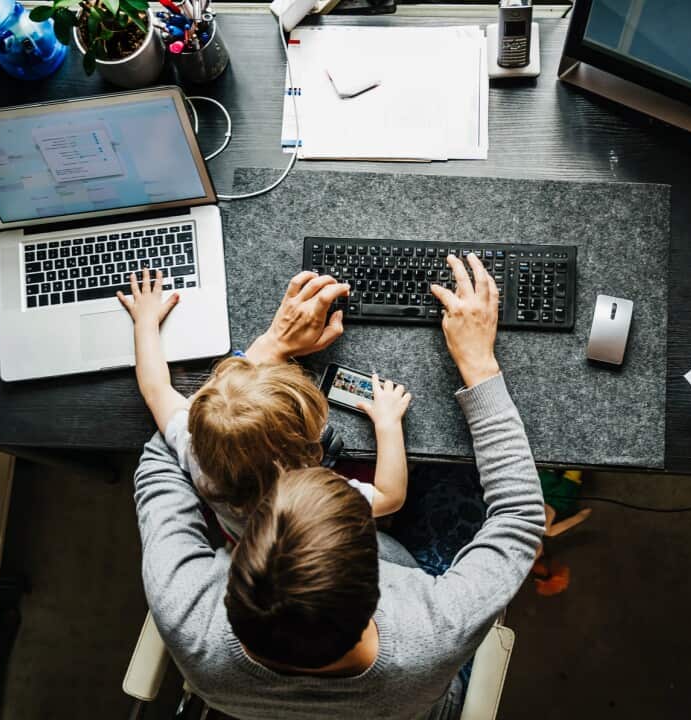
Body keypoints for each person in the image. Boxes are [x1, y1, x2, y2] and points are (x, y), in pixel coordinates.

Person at [132, 255, 546, 719]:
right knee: (456, 482)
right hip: (419, 702)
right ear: (378, 587)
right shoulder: (432, 630)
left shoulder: (184, 611)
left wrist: (264, 355)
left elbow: (161, 458)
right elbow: (519, 518)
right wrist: (479, 364)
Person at [118, 269, 412, 539]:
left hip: (243, 535)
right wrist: (388, 424)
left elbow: (156, 389)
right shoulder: (314, 498)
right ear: (307, 447)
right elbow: (390, 496)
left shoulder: (194, 448)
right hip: (305, 535)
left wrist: (145, 323)